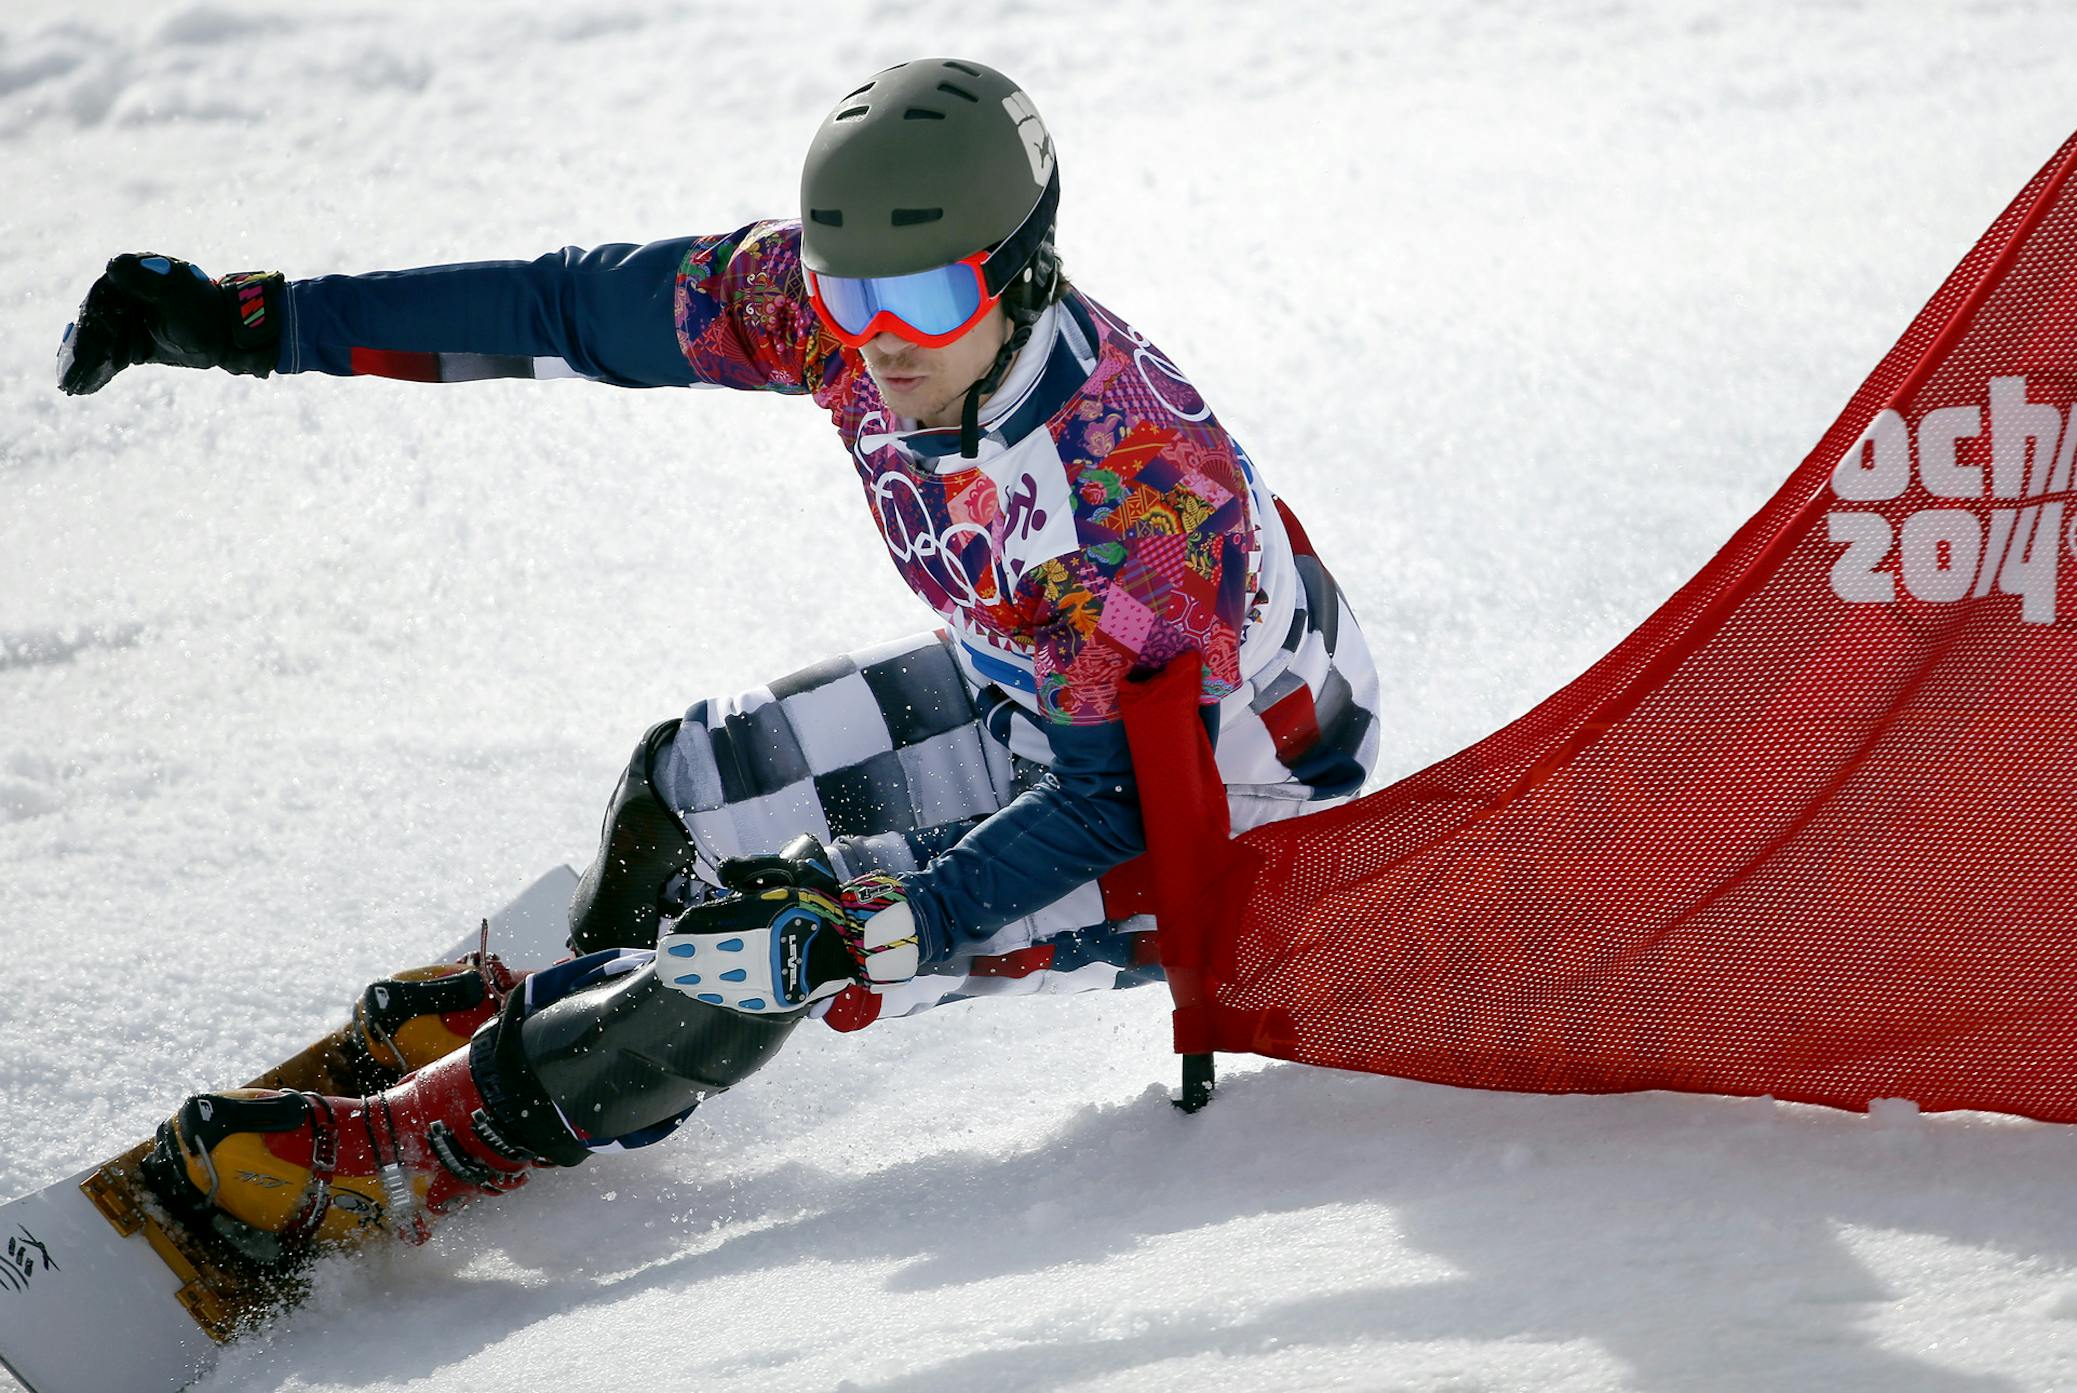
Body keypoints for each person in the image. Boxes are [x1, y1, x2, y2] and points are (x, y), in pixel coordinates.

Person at [59, 58, 1381, 1250]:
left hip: (1222, 814)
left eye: (922, 295)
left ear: (1022, 269)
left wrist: (891, 918)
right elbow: (567, 309)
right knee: (676, 786)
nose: (879, 337)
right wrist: (264, 325)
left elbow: (1115, 803)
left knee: (774, 939)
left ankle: (421, 1152)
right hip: (1041, 691)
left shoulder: (1136, 498)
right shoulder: (833, 316)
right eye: (846, 289)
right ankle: (570, 1022)